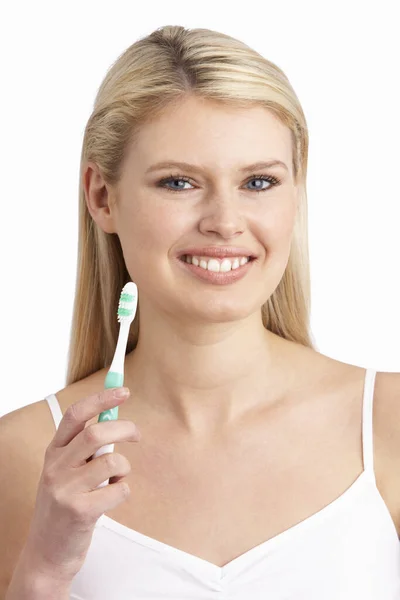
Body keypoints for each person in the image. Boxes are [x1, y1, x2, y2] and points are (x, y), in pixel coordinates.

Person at [2, 24, 400, 600]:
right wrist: (44, 569)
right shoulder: (20, 455)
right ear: (102, 197)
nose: (225, 221)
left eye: (259, 181)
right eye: (180, 182)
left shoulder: (386, 424)